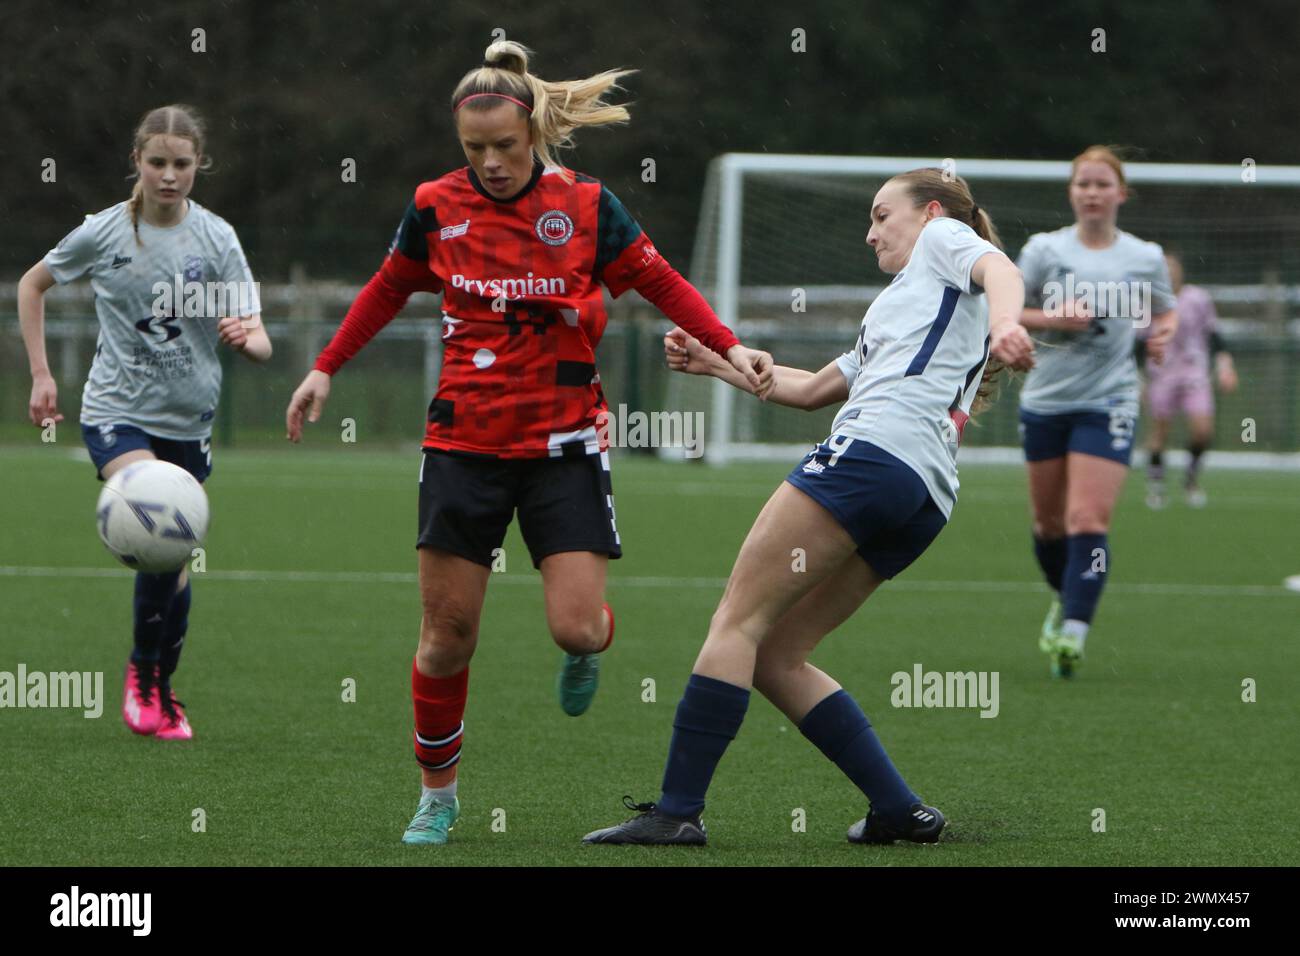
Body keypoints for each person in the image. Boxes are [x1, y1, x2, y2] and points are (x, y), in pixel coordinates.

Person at [284, 40, 772, 846]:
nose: (490, 163)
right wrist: (326, 366)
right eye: (474, 150)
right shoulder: (437, 205)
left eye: (504, 148)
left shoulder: (585, 205)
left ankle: (591, 647)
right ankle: (437, 796)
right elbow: (388, 287)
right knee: (447, 638)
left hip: (567, 446)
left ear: (535, 133)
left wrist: (728, 343)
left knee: (576, 629)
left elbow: (657, 279)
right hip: (462, 446)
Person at [582, 169, 1035, 846]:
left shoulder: (946, 239)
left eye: (883, 215)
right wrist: (717, 363)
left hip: (871, 458)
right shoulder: (905, 302)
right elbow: (812, 389)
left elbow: (1001, 270)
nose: (871, 231)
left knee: (736, 621)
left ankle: (677, 812)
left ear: (933, 212)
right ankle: (899, 810)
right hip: (923, 493)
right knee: (777, 654)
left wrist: (1007, 325)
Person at [17, 104, 271, 740]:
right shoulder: (104, 233)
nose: (168, 175)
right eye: (156, 162)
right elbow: (31, 284)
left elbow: (261, 338)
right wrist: (43, 375)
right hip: (116, 414)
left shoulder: (217, 238)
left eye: (181, 164)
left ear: (197, 166)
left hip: (189, 420)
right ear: (137, 161)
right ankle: (141, 677)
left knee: (175, 560)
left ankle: (159, 685)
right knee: (157, 513)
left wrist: (246, 337)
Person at [1016, 146, 1177, 678]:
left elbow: (1165, 314)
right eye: (1083, 183)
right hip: (1045, 400)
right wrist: (1052, 318)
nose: (1092, 193)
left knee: (1087, 518)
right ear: (1071, 192)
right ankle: (1067, 599)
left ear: (1121, 194)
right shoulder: (1044, 250)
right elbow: (1006, 311)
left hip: (1109, 400)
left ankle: (1074, 633)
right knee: (1048, 526)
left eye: (1102, 184)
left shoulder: (1144, 256)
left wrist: (1160, 341)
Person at [1142, 251, 1238, 508]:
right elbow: (1137, 343)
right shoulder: (1149, 302)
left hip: (1195, 374)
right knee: (1160, 431)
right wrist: (1138, 377)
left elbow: (1214, 335)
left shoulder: (1198, 298)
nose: (1170, 272)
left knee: (1202, 431)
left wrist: (1225, 364)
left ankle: (1191, 480)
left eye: (1174, 267)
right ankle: (1156, 484)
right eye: (1165, 268)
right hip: (1161, 374)